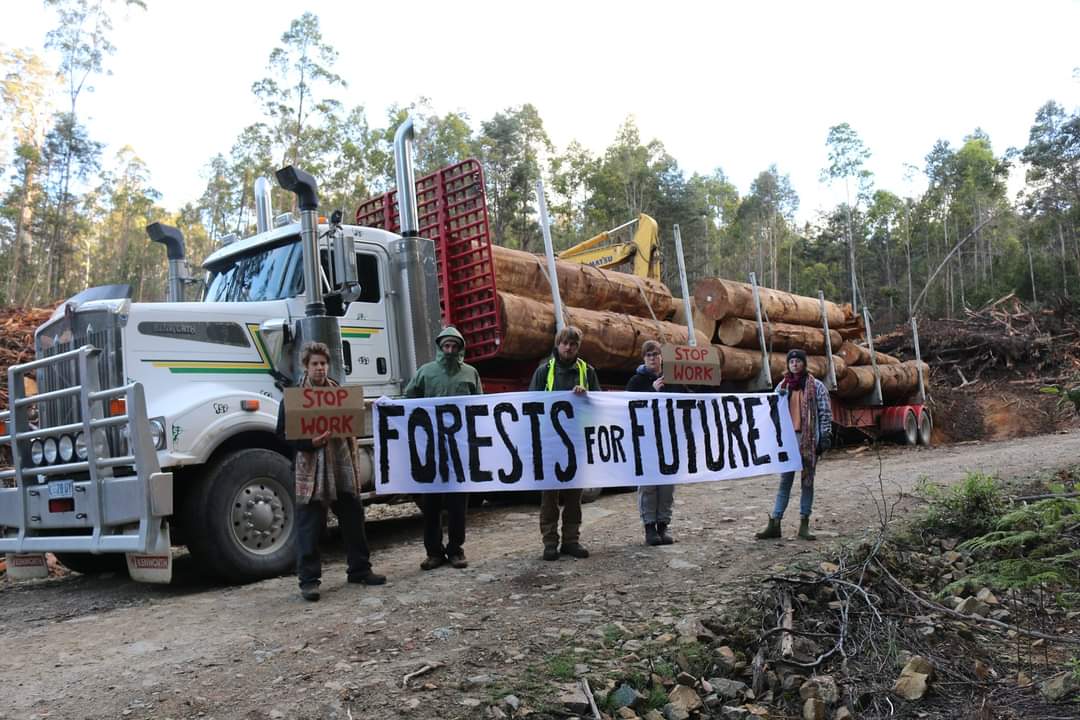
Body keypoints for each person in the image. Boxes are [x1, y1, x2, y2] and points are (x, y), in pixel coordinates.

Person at [276, 341, 385, 602]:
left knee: (353, 517)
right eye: (315, 364)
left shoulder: (340, 395)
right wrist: (309, 443)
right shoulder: (294, 398)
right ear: (306, 366)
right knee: (309, 525)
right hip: (310, 471)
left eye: (323, 364)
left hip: (341, 466)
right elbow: (282, 434)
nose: (320, 369)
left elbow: (353, 425)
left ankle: (360, 569)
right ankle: (309, 580)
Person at [404, 326, 484, 571]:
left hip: (459, 451)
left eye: (454, 346)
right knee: (430, 504)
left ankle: (456, 550)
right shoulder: (425, 373)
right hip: (431, 450)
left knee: (459, 503)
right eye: (446, 346)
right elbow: (408, 400)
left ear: (460, 348)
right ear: (440, 347)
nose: (449, 350)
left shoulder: (471, 374)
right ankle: (434, 552)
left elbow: (481, 404)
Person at [528, 325, 601, 561]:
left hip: (576, 444)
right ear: (558, 345)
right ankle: (550, 543)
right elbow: (530, 406)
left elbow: (598, 406)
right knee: (549, 497)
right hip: (550, 444)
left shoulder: (587, 371)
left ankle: (571, 540)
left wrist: (585, 397)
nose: (568, 348)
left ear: (578, 347)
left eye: (573, 344)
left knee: (573, 497)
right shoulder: (543, 371)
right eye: (565, 343)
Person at [756, 348, 832, 541]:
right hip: (788, 440)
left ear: (804, 364)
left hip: (808, 438)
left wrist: (825, 436)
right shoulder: (782, 387)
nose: (795, 364)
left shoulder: (816, 386)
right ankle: (775, 523)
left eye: (798, 361)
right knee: (785, 481)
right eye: (792, 361)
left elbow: (825, 412)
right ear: (788, 365)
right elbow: (772, 412)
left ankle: (804, 524)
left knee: (807, 482)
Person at [625, 339, 685, 546]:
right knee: (648, 485)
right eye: (648, 355)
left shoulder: (673, 379)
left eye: (656, 354)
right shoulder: (636, 382)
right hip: (646, 440)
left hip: (669, 439)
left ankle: (663, 525)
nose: (652, 358)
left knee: (667, 485)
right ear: (644, 358)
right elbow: (630, 408)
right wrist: (652, 392)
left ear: (661, 357)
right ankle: (649, 527)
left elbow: (685, 401)